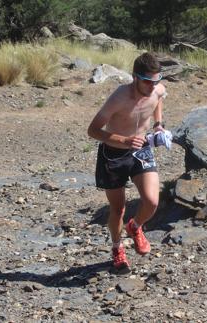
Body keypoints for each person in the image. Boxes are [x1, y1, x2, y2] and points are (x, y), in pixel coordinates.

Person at [87, 52, 167, 272]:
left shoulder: (157, 88)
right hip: (113, 155)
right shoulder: (119, 98)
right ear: (135, 77)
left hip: (141, 151)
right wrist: (124, 140)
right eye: (148, 81)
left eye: (156, 80)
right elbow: (93, 130)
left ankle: (135, 227)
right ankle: (117, 248)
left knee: (151, 201)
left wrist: (159, 125)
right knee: (118, 209)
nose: (152, 86)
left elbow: (160, 97)